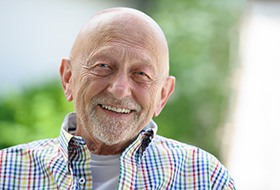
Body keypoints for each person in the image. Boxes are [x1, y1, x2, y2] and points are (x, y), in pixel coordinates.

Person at [0, 7, 235, 190]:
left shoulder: (204, 178)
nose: (120, 89)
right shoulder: (6, 172)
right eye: (103, 66)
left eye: (141, 74)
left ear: (163, 94)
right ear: (68, 78)